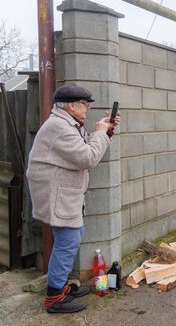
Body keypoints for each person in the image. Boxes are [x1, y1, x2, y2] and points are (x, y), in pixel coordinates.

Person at [26, 85, 120, 313]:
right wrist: (99, 132)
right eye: (84, 104)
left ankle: (60, 287)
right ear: (71, 105)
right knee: (68, 241)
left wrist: (105, 131)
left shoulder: (68, 124)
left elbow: (84, 146)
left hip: (63, 192)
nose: (87, 109)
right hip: (57, 194)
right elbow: (87, 157)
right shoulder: (59, 127)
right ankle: (54, 298)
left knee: (72, 237)